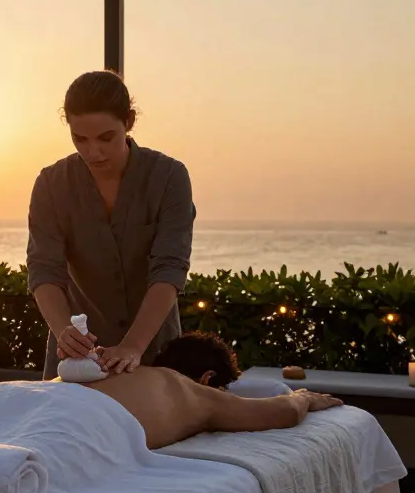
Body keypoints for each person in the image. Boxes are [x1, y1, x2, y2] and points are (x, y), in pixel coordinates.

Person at [26, 69, 196, 380]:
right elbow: (44, 269)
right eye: (80, 139)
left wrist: (132, 346)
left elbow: (170, 268)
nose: (93, 151)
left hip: (156, 353)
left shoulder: (169, 177)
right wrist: (65, 331)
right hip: (76, 360)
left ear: (128, 122)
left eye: (106, 138)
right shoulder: (52, 184)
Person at [72, 332, 343, 449]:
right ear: (207, 378)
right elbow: (285, 412)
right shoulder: (191, 391)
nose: (222, 395)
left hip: (39, 394)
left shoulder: (123, 373)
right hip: (76, 426)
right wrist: (304, 397)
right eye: (222, 389)